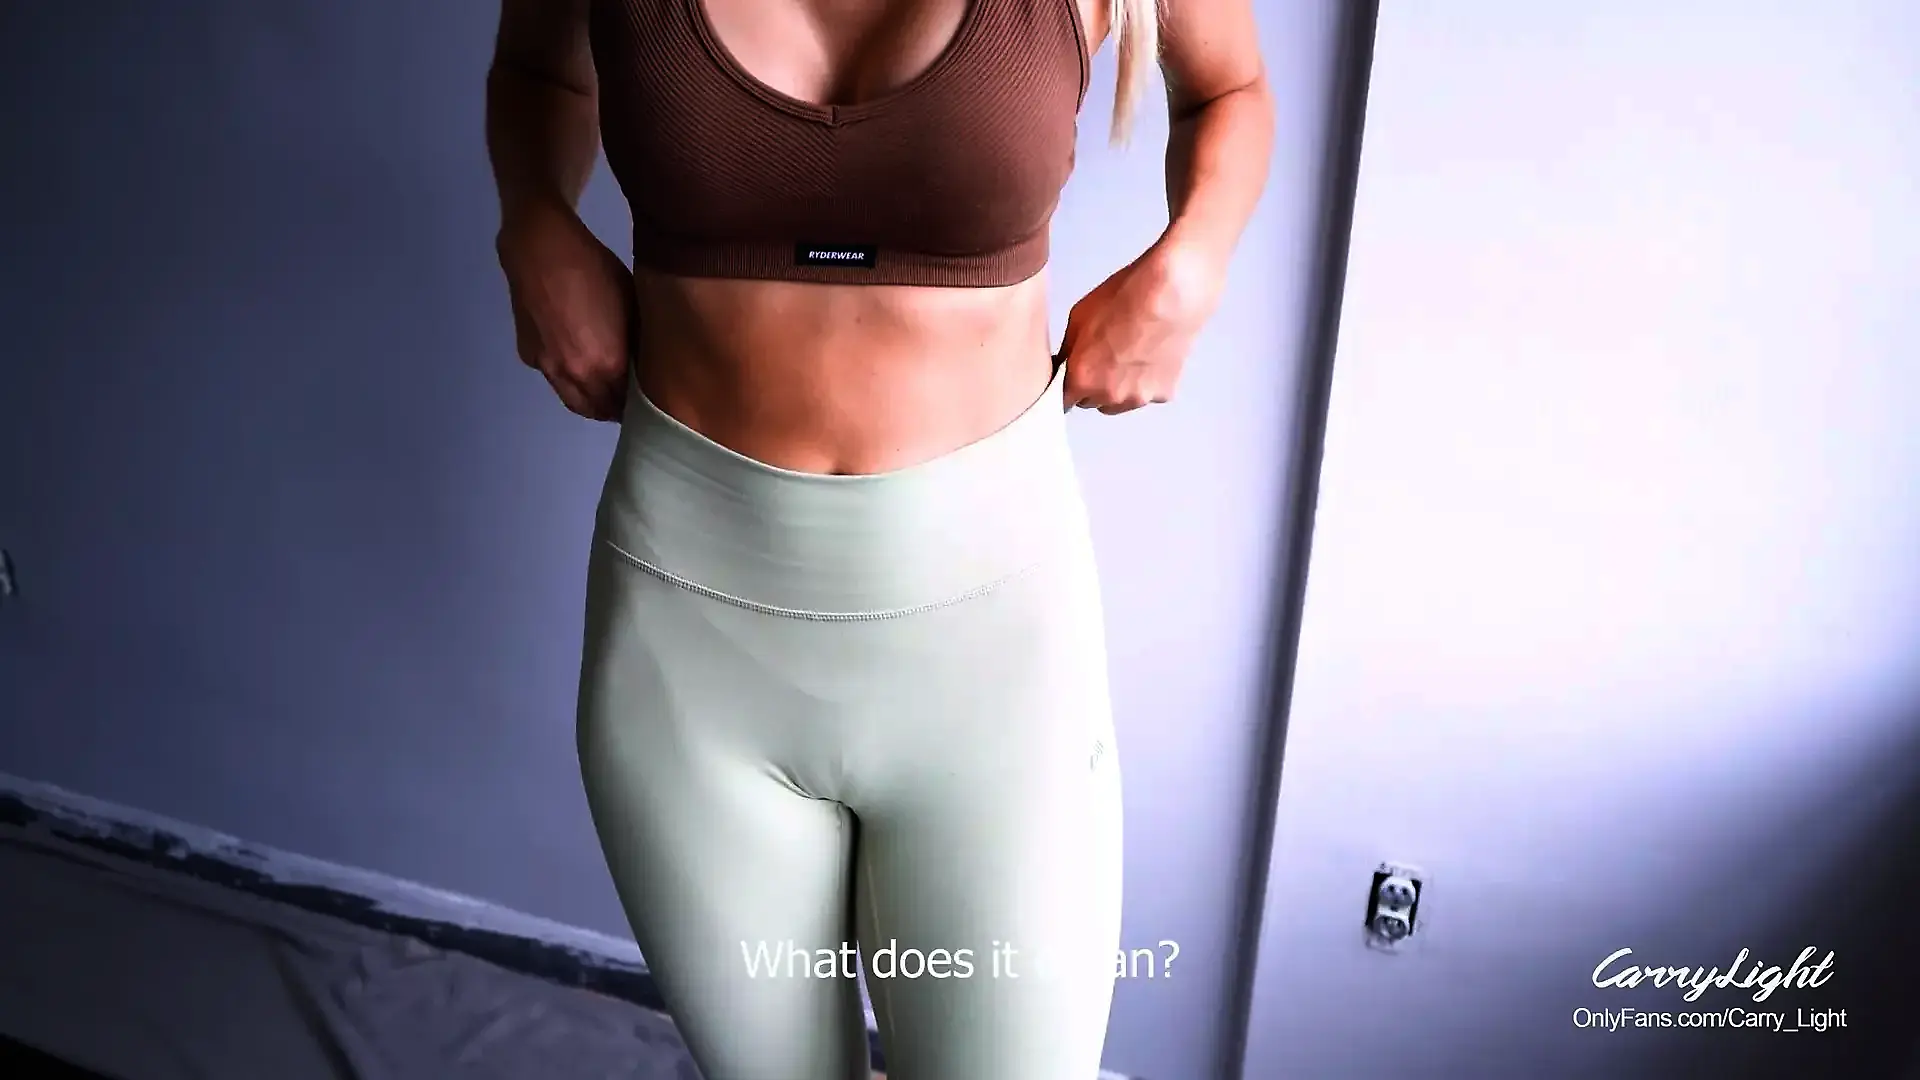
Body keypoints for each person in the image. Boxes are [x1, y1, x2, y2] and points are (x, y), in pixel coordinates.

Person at [485, 0, 1271, 1076]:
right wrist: (533, 221)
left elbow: (1231, 89)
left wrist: (1193, 266)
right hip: (689, 638)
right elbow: (537, 72)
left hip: (995, 650)